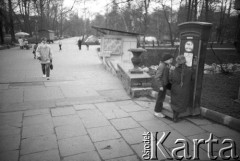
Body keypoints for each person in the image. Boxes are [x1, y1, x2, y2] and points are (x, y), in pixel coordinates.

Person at [169, 55, 194, 122]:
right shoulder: (189, 71)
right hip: (184, 90)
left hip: (175, 89)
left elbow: (171, 79)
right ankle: (176, 116)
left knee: (175, 102)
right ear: (185, 61)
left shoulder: (175, 70)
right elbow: (192, 79)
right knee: (181, 103)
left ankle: (174, 116)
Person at [154, 53, 173, 118]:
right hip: (162, 85)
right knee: (160, 98)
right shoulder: (162, 65)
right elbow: (157, 77)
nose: (171, 61)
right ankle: (157, 112)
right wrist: (160, 86)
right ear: (166, 60)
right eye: (170, 60)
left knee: (162, 97)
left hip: (164, 84)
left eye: (171, 60)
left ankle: (158, 110)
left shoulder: (165, 65)